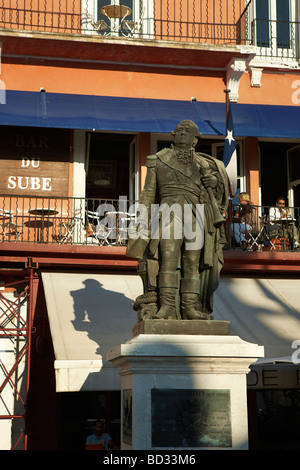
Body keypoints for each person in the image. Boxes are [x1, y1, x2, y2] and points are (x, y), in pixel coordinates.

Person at [127, 119, 229, 321]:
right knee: (168, 259)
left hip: (196, 214)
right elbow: (149, 192)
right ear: (173, 135)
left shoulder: (206, 164)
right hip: (168, 213)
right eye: (180, 130)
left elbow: (220, 195)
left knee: (192, 262)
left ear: (195, 139)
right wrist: (141, 218)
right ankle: (166, 306)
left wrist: (215, 182)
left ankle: (189, 308)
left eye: (188, 131)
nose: (183, 133)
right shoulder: (158, 159)